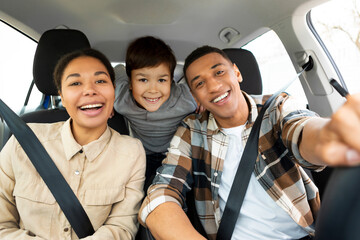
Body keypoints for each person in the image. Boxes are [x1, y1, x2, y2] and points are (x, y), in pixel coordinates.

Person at [138, 46, 360, 240]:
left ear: (237, 73)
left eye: (219, 72)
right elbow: (161, 195)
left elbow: (301, 129)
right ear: (195, 97)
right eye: (200, 83)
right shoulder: (192, 129)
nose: (214, 86)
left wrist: (333, 134)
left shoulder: (277, 107)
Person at [0, 48, 146, 239]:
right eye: (75, 83)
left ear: (114, 90)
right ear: (61, 93)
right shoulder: (22, 142)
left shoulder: (131, 152)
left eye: (101, 81)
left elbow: (122, 227)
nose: (89, 90)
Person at [113, 36, 198, 190]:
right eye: (143, 80)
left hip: (175, 154)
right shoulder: (121, 99)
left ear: (171, 81)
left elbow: (199, 85)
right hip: (141, 155)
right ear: (130, 83)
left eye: (162, 80)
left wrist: (204, 102)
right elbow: (117, 69)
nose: (153, 90)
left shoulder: (187, 99)